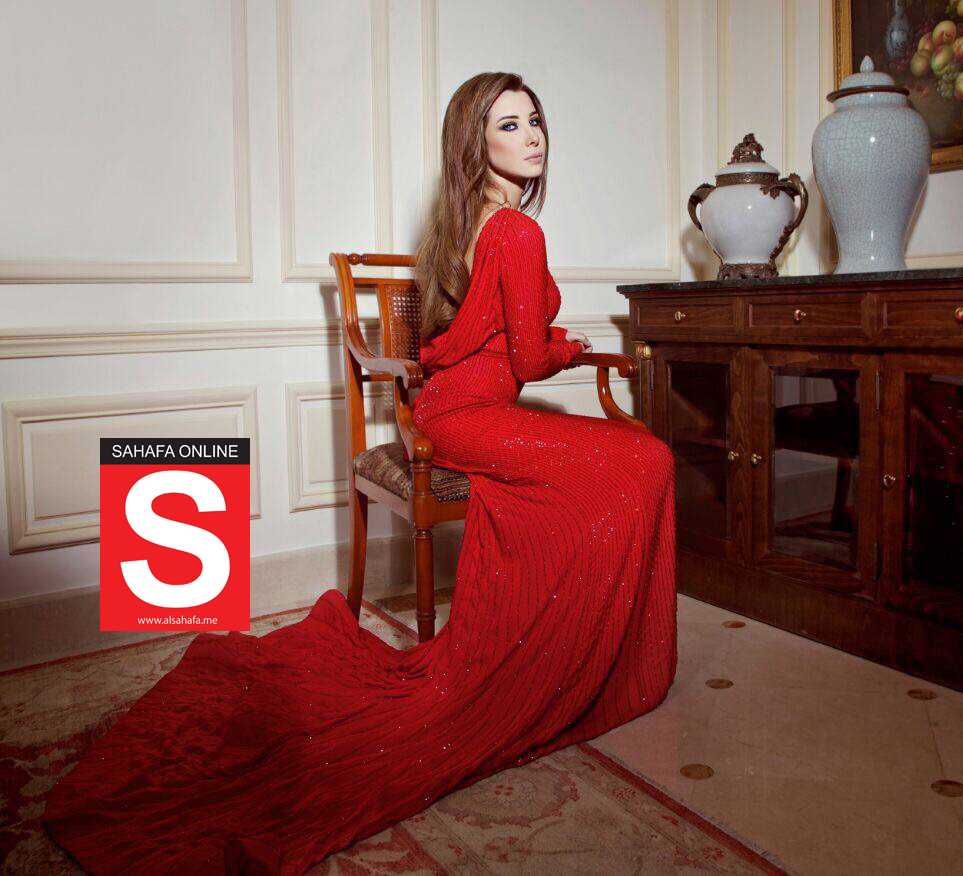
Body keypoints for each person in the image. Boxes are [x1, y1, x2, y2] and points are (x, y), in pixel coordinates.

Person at [40, 72, 678, 874]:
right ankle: (580, 653)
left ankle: (568, 631)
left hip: (451, 412)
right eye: (509, 125)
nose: (532, 136)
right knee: (646, 458)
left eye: (535, 120)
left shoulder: (477, 221)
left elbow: (488, 341)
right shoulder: (516, 230)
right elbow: (525, 357)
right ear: (475, 143)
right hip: (472, 418)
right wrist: (573, 348)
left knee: (622, 467)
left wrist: (546, 346)